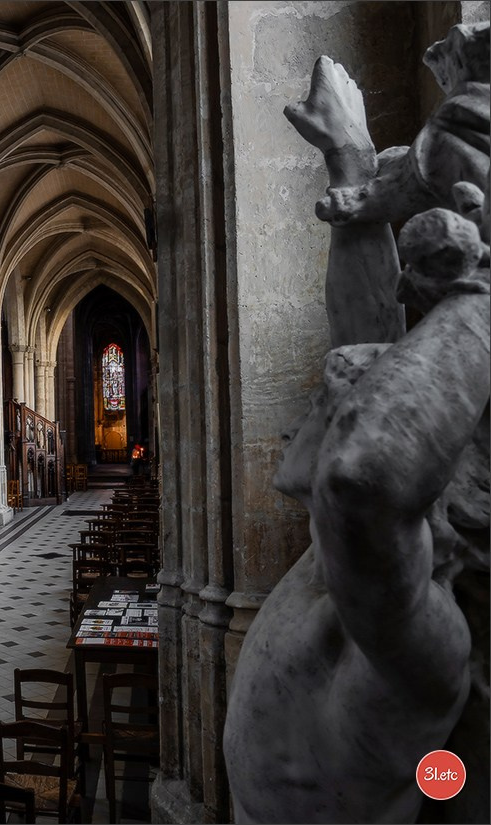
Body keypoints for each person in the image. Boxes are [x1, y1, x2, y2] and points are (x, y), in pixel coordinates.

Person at [224, 28, 490, 824]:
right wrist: (351, 163)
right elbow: (362, 352)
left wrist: (480, 300)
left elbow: (363, 475)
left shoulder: (428, 649)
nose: (336, 406)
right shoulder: (366, 586)